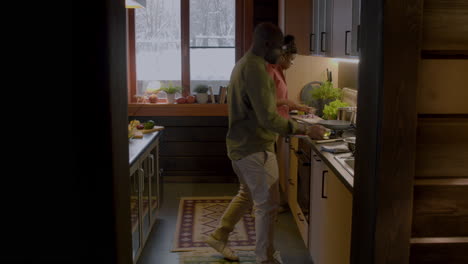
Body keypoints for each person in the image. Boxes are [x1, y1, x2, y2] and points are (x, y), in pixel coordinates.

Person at [205, 23, 326, 264]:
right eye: (279, 47)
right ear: (267, 44)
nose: (280, 53)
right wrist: (305, 129)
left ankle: (219, 236)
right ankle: (265, 259)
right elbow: (268, 119)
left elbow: (261, 107)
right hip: (255, 148)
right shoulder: (257, 69)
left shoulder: (245, 63)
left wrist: (285, 106)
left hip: (240, 146)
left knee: (247, 196)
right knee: (267, 206)